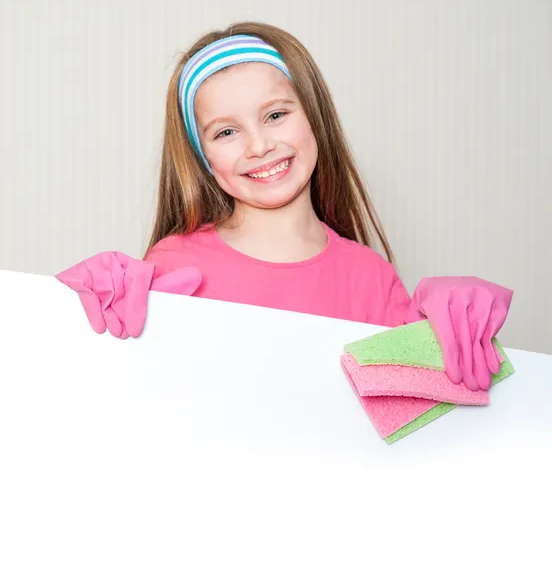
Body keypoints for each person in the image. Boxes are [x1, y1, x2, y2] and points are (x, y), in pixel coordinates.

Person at [56, 21, 513, 391]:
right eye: (226, 132)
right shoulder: (174, 266)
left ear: (314, 116)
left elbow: (416, 428)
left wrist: (445, 331)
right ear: (204, 158)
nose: (259, 145)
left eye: (276, 115)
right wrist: (72, 321)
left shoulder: (372, 278)